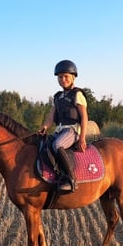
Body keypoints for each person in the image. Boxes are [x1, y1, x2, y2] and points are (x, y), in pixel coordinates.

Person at [39, 59, 88, 192]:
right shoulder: (58, 97)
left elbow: (84, 117)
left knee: (57, 145)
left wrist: (82, 138)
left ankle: (70, 179)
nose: (63, 79)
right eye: (60, 77)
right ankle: (55, 175)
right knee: (44, 145)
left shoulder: (77, 94)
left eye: (66, 76)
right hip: (60, 130)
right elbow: (51, 116)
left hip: (73, 130)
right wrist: (45, 127)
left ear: (73, 77)